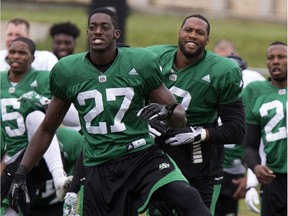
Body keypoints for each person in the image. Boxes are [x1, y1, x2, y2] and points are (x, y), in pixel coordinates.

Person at [7, 8, 211, 216]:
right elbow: (47, 129)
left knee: (187, 196)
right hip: (99, 165)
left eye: (105, 27)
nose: (97, 32)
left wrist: (167, 111)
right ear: (87, 33)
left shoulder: (140, 62)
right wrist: (21, 172)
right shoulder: (67, 71)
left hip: (140, 156)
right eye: (93, 27)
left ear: (116, 33)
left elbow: (180, 118)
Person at [147, 14, 246, 215]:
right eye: (188, 30)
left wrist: (200, 133)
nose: (193, 36)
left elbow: (236, 129)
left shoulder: (222, 71)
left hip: (200, 167)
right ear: (179, 33)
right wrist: (145, 122)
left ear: (207, 40)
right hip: (160, 162)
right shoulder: (153, 58)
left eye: (200, 33)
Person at [0, 37, 73, 215]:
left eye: (22, 52)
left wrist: (40, 100)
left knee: (35, 116)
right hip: (11, 155)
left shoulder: (42, 78)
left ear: (33, 58)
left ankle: (59, 177)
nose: (16, 56)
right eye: (13, 52)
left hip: (39, 152)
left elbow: (62, 113)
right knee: (10, 205)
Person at [213, 39, 266, 216]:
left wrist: (250, 176)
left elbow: (263, 136)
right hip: (205, 166)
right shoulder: (207, 76)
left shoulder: (253, 81)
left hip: (233, 170)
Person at [243, 41, 287, 216]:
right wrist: (255, 166)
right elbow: (249, 145)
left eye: (281, 57)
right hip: (274, 178)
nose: (275, 61)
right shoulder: (255, 91)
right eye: (271, 58)